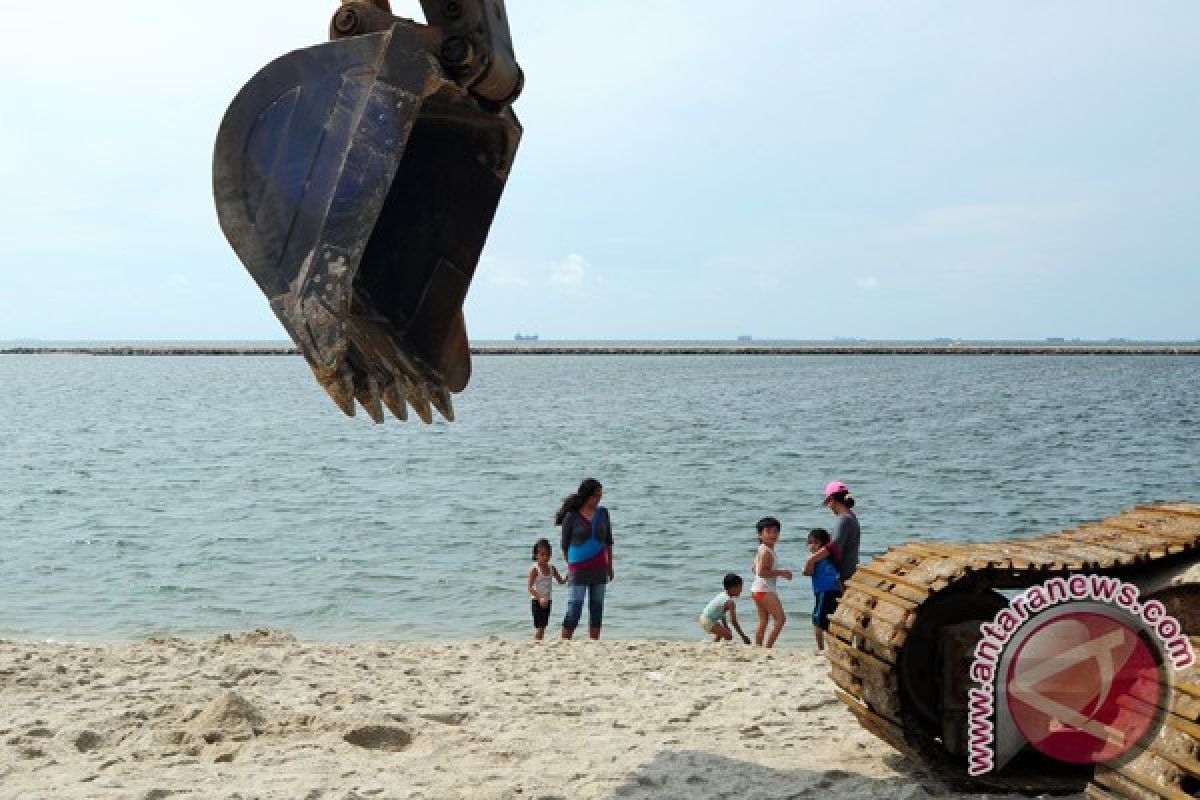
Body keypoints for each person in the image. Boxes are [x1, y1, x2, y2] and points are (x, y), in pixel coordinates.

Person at [556, 478, 613, 640]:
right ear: (586, 495)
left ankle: (593, 642)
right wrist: (571, 567)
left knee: (597, 607)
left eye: (600, 496)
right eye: (595, 495)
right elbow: (564, 546)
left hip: (600, 568)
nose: (598, 499)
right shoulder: (571, 517)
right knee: (575, 607)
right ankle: (565, 642)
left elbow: (608, 542)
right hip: (578, 570)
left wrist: (610, 566)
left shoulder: (603, 513)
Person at [749, 516, 792, 648]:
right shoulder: (766, 552)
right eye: (768, 531)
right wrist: (781, 573)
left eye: (775, 531)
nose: (773, 534)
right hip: (764, 589)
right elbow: (761, 572)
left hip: (757, 589)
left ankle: (758, 647)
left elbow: (753, 568)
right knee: (780, 619)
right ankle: (768, 647)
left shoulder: (762, 549)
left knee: (763, 620)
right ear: (760, 535)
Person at [803, 528, 841, 652]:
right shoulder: (826, 556)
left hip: (825, 591)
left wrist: (807, 566)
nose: (812, 546)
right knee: (828, 619)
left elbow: (808, 572)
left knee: (818, 619)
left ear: (823, 544)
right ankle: (828, 647)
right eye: (810, 542)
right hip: (831, 590)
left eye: (816, 543)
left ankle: (821, 648)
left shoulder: (817, 558)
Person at [527, 538, 565, 640]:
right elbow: (530, 587)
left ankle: (539, 642)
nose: (545, 557)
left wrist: (569, 576)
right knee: (539, 627)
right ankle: (536, 643)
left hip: (548, 601)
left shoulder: (552, 568)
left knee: (543, 626)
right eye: (542, 554)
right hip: (536, 601)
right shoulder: (535, 570)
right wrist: (540, 598)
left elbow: (561, 581)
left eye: (548, 554)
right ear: (536, 555)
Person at [823, 480, 860, 585]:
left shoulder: (844, 519)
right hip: (851, 571)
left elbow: (834, 546)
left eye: (827, 503)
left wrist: (811, 560)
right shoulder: (852, 516)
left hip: (844, 576)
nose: (829, 507)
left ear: (832, 500)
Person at [699, 573, 751, 644]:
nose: (741, 590)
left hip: (705, 618)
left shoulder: (723, 595)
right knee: (728, 636)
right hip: (708, 621)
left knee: (722, 633)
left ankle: (713, 644)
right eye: (740, 587)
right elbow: (734, 622)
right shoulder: (730, 602)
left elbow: (721, 613)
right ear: (732, 588)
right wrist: (743, 636)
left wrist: (725, 626)